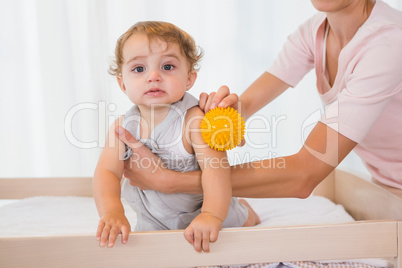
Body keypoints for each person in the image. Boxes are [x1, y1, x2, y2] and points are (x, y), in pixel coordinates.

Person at [115, 0, 402, 203]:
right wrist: (222, 116)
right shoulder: (316, 31)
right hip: (384, 191)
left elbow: (304, 174)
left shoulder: (387, 44)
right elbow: (245, 105)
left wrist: (173, 182)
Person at [93, 21, 260, 253]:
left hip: (208, 214)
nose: (153, 76)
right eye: (139, 69)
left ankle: (246, 212)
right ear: (122, 83)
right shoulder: (122, 127)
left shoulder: (195, 122)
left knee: (238, 225)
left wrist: (211, 215)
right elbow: (107, 172)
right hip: (155, 222)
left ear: (189, 78)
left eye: (168, 67)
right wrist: (112, 211)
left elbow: (217, 171)